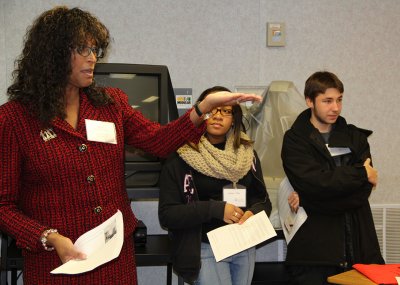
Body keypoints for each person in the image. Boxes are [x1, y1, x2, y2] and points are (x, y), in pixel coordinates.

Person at [0, 7, 261, 285]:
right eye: (82, 48)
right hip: (55, 263)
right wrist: (48, 237)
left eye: (95, 49)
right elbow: (3, 205)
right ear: (52, 53)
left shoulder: (111, 104)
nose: (92, 57)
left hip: (115, 260)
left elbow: (159, 142)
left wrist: (202, 108)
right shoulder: (15, 119)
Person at [158, 86, 272, 285]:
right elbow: (168, 215)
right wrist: (215, 209)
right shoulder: (180, 155)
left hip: (243, 244)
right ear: (200, 113)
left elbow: (262, 200)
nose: (218, 116)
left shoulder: (246, 154)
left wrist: (253, 212)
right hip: (204, 247)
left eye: (226, 111)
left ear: (234, 119)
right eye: (212, 110)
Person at [281, 71, 384, 285]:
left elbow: (361, 193)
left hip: (359, 244)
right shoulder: (295, 140)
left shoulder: (355, 137)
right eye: (327, 101)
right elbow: (314, 183)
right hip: (314, 252)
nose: (335, 107)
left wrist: (309, 200)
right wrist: (361, 173)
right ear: (310, 101)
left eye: (339, 100)